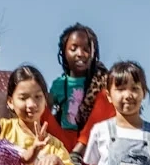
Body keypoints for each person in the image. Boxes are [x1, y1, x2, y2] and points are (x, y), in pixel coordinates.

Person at [3, 65, 82, 165]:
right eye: (23, 98)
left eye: (37, 97)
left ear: (45, 100)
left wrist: (57, 161)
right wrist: (15, 163)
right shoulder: (2, 128)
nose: (32, 104)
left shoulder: (54, 146)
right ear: (10, 102)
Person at [48, 23, 116, 153]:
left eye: (86, 49)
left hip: (92, 140)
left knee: (109, 94)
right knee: (36, 98)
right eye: (73, 49)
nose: (80, 54)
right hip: (64, 138)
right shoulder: (59, 84)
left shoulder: (102, 81)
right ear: (64, 52)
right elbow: (46, 112)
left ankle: (78, 151)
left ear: (93, 53)